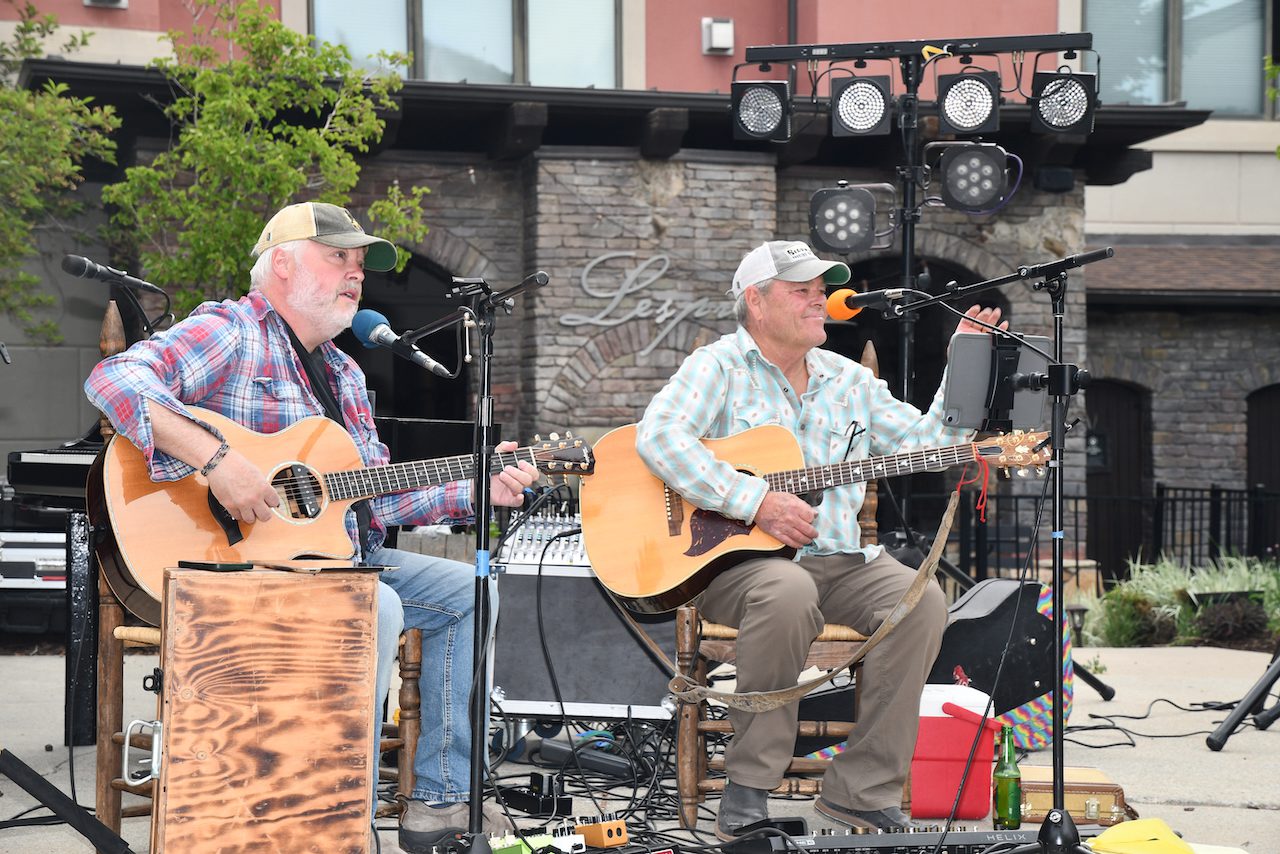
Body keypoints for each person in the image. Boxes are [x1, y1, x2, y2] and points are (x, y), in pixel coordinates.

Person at [84, 202, 538, 853]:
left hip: (324, 563)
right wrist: (217, 461)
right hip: (223, 566)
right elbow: (114, 377)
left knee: (471, 591)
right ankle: (329, 810)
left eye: (360, 265)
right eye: (339, 259)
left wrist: (476, 490)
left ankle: (438, 804)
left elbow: (371, 508)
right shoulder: (232, 330)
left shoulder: (346, 375)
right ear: (284, 264)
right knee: (370, 601)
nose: (357, 275)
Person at [634, 240, 1007, 839]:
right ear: (756, 302)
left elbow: (928, 445)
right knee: (785, 593)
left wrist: (966, 357)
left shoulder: (848, 379)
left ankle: (860, 792)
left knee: (921, 602)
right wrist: (754, 500)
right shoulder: (718, 365)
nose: (819, 300)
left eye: (819, 289)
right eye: (800, 290)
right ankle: (750, 788)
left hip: (842, 561)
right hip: (737, 566)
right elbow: (660, 440)